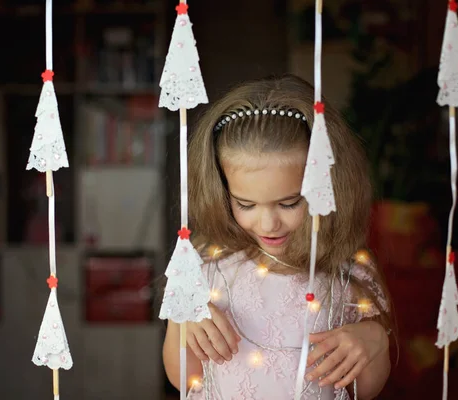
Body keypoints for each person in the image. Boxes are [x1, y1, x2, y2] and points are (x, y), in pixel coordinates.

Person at [162, 74, 392, 399]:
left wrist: (375, 340)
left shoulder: (348, 272)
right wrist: (181, 321)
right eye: (246, 204)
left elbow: (364, 391)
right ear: (220, 192)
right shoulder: (206, 266)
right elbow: (184, 380)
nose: (268, 224)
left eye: (289, 203)